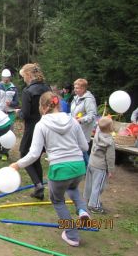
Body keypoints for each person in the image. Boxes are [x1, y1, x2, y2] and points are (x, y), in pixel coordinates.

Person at [10, 91, 90, 247]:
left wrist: (17, 164)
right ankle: (82, 210)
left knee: (58, 200)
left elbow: (33, 154)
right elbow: (85, 146)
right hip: (79, 167)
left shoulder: (42, 125)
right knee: (73, 188)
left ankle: (72, 235)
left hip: (60, 169)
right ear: (57, 104)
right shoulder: (73, 121)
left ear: (43, 107)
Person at [17, 63, 51, 200]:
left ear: (29, 75)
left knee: (24, 154)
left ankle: (38, 185)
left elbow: (25, 114)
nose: (23, 79)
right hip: (46, 125)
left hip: (32, 127)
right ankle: (39, 188)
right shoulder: (47, 88)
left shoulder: (28, 91)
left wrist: (19, 112)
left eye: (23, 76)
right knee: (35, 156)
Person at [84, 117, 115, 214]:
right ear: (110, 128)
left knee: (90, 183)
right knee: (98, 186)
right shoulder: (110, 141)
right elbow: (110, 157)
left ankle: (89, 200)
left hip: (91, 163)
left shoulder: (97, 134)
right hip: (100, 167)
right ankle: (94, 206)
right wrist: (110, 170)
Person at [0, 68, 19, 161]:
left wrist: (11, 104)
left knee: (8, 134)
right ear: (2, 77)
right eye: (4, 78)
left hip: (10, 114)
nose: (6, 80)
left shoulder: (14, 88)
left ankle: (5, 153)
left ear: (10, 78)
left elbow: (17, 103)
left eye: (7, 78)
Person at [70, 78, 97, 166]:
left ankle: (90, 170)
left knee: (83, 151)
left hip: (83, 130)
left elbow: (92, 115)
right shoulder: (76, 98)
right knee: (78, 151)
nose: (75, 89)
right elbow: (74, 113)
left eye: (77, 88)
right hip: (75, 129)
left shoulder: (88, 99)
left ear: (83, 88)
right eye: (75, 87)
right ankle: (82, 169)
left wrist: (80, 120)